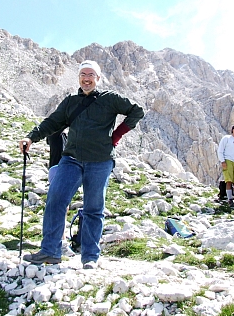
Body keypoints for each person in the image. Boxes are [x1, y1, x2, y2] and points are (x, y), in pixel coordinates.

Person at [19, 60, 144, 269]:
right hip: (72, 159)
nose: (87, 78)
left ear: (98, 78)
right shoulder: (70, 102)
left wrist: (116, 136)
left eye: (91, 75)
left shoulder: (110, 99)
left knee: (94, 209)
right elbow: (52, 122)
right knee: (56, 199)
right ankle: (50, 251)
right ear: (78, 78)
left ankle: (90, 257)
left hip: (101, 161)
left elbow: (136, 111)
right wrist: (31, 138)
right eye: (83, 74)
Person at [217, 124, 234, 207]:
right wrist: (223, 161)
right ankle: (230, 199)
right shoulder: (226, 138)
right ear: (233, 130)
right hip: (228, 161)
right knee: (229, 181)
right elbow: (220, 150)